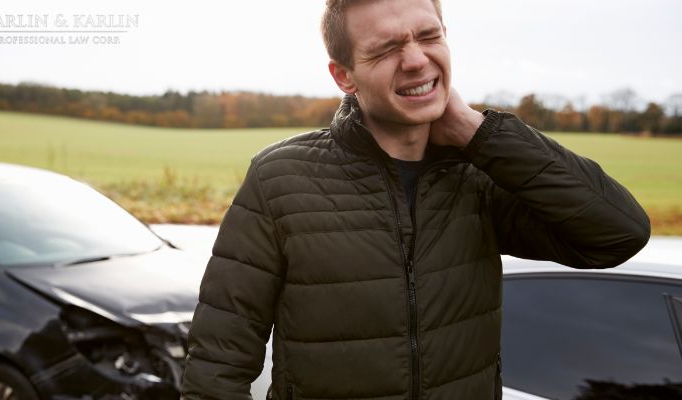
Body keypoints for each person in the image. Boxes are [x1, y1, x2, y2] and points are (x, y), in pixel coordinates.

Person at [181, 0, 651, 399]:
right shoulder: (279, 177)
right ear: (344, 75)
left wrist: (477, 132)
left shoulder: (479, 175)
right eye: (386, 49)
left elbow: (617, 234)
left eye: (429, 36)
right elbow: (217, 364)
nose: (415, 60)